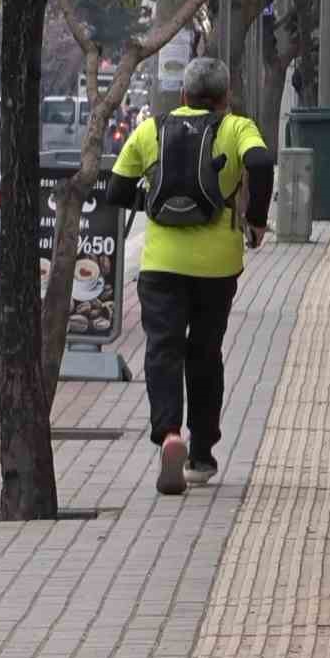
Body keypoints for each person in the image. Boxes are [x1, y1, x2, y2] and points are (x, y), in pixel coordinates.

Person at [106, 57, 274, 496]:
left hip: (161, 264)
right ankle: (201, 454)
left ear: (182, 95)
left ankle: (169, 434)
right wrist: (256, 219)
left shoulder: (151, 129)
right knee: (205, 352)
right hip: (216, 267)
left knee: (163, 349)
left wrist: (156, 204)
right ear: (225, 97)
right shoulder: (236, 127)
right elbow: (261, 163)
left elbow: (116, 191)